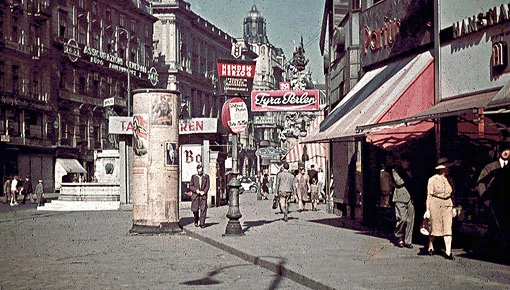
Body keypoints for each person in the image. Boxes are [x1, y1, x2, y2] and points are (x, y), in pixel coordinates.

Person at [477, 142, 510, 250]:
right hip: (493, 200)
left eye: (508, 150)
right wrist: (485, 198)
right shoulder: (490, 167)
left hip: (506, 200)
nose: (505, 152)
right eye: (503, 150)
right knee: (494, 224)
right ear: (499, 152)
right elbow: (480, 183)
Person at [424, 158, 455, 260]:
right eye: (446, 168)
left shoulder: (450, 180)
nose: (448, 170)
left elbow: (452, 194)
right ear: (442, 169)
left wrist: (453, 207)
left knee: (448, 226)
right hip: (435, 204)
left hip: (447, 204)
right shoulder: (432, 180)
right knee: (434, 227)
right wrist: (427, 210)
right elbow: (429, 195)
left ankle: (448, 251)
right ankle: (431, 245)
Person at [391, 156, 416, 248]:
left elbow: (415, 181)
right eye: (406, 161)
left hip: (410, 197)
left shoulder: (411, 170)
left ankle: (408, 240)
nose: (408, 163)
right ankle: (399, 236)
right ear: (401, 162)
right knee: (402, 219)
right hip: (400, 197)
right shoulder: (396, 170)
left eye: (408, 161)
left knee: (411, 220)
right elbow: (399, 182)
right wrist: (407, 176)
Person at [189, 164, 210, 228]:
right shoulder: (193, 177)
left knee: (203, 209)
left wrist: (204, 191)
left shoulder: (206, 177)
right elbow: (191, 186)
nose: (200, 172)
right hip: (196, 196)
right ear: (197, 170)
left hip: (203, 196)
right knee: (195, 210)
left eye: (201, 171)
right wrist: (196, 190)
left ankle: (202, 224)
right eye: (199, 171)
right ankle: (196, 220)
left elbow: (207, 186)